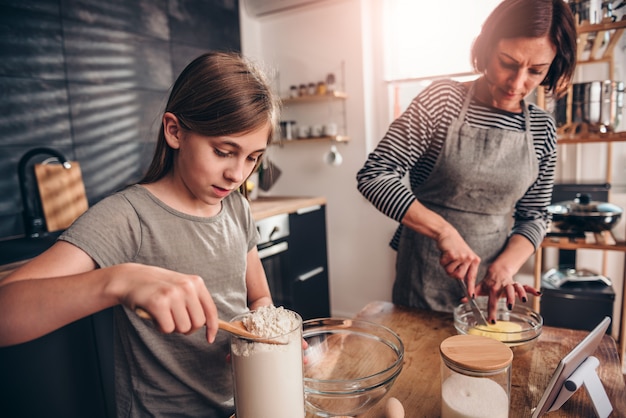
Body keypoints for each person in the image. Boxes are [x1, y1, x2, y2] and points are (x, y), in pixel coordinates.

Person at [0, 51, 280, 417]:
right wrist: (117, 281)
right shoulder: (127, 216)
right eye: (223, 152)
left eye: (252, 158)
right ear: (174, 131)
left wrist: (265, 337)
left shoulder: (236, 208)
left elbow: (258, 296)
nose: (237, 174)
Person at [357, 0, 577, 322]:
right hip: (423, 279)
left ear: (553, 67)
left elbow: (535, 216)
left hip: (490, 288)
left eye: (535, 71)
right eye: (507, 62)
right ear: (487, 47)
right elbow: (375, 175)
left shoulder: (542, 129)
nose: (517, 84)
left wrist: (505, 267)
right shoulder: (443, 101)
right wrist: (444, 232)